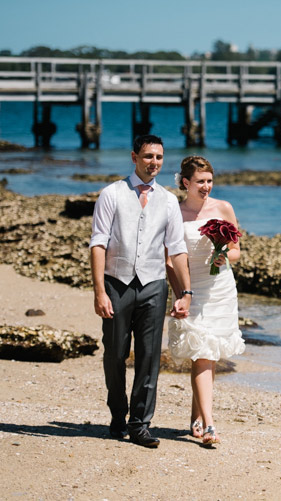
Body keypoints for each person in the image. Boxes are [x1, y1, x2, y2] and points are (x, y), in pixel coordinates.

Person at [90, 135, 192, 449]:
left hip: (153, 286)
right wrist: (99, 292)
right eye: (148, 156)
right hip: (116, 283)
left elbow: (176, 249)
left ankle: (140, 425)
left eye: (159, 157)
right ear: (134, 156)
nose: (154, 163)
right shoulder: (112, 193)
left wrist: (184, 293)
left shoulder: (169, 200)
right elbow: (98, 244)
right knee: (115, 355)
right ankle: (118, 414)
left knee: (149, 358)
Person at [167, 155, 245, 446]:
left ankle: (198, 417)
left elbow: (237, 251)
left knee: (207, 355)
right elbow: (169, 260)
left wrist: (223, 253)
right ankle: (209, 424)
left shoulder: (223, 208)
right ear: (186, 182)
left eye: (210, 181)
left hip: (221, 288)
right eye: (201, 182)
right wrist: (179, 294)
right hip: (192, 288)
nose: (206, 187)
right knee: (201, 353)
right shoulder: (174, 213)